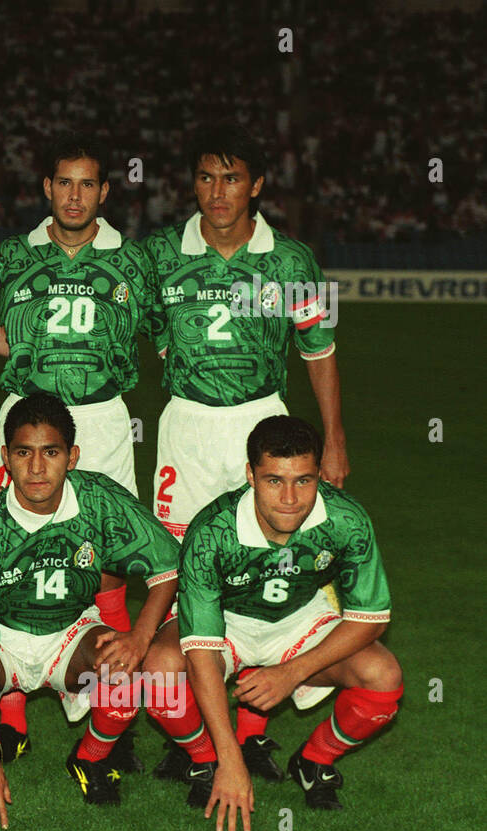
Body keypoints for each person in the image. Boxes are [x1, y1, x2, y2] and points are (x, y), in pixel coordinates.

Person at [143, 122, 349, 769]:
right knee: (181, 561)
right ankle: (195, 730)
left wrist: (334, 440)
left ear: (256, 185)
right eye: (206, 177)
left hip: (262, 420)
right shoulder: (162, 253)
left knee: (266, 562)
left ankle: (251, 725)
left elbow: (319, 349)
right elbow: (155, 331)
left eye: (231, 178)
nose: (218, 191)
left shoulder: (290, 260)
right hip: (186, 425)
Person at [0, 134, 164, 761]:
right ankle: (13, 702)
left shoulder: (132, 261)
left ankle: (109, 686)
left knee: (107, 545)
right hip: (28, 419)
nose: (74, 195)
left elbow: (162, 334)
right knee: (9, 536)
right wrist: (29, 355)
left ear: (104, 192)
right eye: (63, 183)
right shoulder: (11, 256)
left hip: (103, 418)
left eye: (88, 184)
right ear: (47, 188)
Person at [142, 416, 399, 831]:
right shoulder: (212, 532)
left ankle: (314, 760)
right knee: (159, 671)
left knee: (383, 677)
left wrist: (292, 672)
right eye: (274, 481)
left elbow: (371, 619)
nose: (290, 498)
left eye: (304, 480)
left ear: (319, 475)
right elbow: (203, 650)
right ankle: (205, 761)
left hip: (300, 616)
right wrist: (230, 759)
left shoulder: (345, 518)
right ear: (250, 476)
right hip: (228, 621)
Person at [0, 392, 179, 825]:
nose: (36, 467)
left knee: (124, 670)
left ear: (72, 457)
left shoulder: (99, 498)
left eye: (50, 452)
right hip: (2, 640)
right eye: (23, 453)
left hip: (70, 632)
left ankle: (89, 757)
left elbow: (166, 565)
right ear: (5, 458)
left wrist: (140, 637)